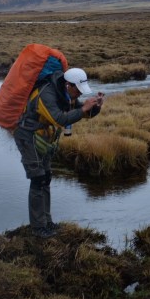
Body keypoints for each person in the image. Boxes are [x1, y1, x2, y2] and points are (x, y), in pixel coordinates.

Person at [14, 67, 104, 238]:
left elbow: (82, 112)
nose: (79, 94)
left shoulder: (65, 93)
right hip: (27, 136)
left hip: (43, 137)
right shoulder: (46, 94)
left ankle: (47, 222)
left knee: (46, 177)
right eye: (78, 90)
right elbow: (60, 119)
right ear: (69, 85)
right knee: (38, 179)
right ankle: (38, 227)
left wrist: (96, 107)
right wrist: (83, 109)